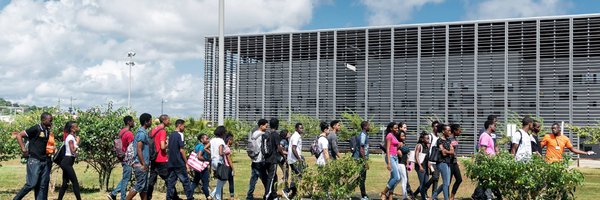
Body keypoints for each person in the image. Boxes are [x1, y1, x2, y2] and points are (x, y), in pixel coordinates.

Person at [14, 112, 54, 200]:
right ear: (43, 120)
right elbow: (19, 135)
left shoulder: (47, 130)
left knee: (42, 186)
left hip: (44, 161)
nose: (51, 121)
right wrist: (23, 149)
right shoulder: (36, 128)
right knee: (31, 184)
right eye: (50, 120)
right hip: (34, 160)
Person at [148, 114, 177, 200]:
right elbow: (162, 147)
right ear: (164, 120)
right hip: (161, 158)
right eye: (168, 120)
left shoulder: (154, 129)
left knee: (152, 180)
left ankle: (148, 197)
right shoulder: (163, 131)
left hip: (153, 158)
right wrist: (167, 143)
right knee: (169, 179)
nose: (169, 121)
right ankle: (173, 197)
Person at [126, 113, 153, 200]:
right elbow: (139, 149)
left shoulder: (143, 132)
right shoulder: (141, 134)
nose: (151, 122)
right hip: (140, 164)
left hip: (142, 163)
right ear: (146, 122)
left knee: (144, 187)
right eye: (150, 120)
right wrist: (143, 164)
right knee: (139, 185)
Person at [166, 119, 194, 200]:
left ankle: (169, 198)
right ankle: (190, 197)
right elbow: (181, 150)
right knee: (185, 181)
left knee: (171, 182)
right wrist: (186, 162)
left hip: (171, 162)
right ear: (179, 125)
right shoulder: (180, 134)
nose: (184, 127)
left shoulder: (171, 135)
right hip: (179, 162)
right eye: (183, 126)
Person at [108, 116, 135, 200]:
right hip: (127, 159)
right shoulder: (129, 134)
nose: (134, 123)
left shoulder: (122, 131)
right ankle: (121, 197)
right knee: (126, 179)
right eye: (132, 121)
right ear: (129, 122)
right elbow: (131, 148)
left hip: (122, 157)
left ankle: (114, 193)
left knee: (126, 177)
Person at [476, 120, 502, 200]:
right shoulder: (485, 136)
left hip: (489, 162)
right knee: (487, 181)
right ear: (490, 126)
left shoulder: (489, 136)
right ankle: (488, 197)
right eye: (495, 125)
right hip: (487, 163)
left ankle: (481, 196)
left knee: (486, 182)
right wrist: (488, 160)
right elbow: (482, 150)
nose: (495, 127)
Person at [57, 121, 82, 200]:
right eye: (76, 126)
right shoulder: (70, 138)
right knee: (75, 182)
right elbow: (72, 151)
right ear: (72, 128)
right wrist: (77, 142)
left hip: (68, 161)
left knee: (65, 183)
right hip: (67, 162)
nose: (77, 127)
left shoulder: (71, 136)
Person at [246, 119, 268, 200]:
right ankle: (268, 194)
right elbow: (264, 148)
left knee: (253, 179)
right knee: (265, 179)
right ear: (261, 126)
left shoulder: (254, 133)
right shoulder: (262, 135)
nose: (267, 127)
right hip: (260, 160)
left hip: (254, 159)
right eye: (266, 126)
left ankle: (249, 195)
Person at [433, 124, 454, 200]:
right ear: (443, 131)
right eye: (448, 130)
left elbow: (452, 152)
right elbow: (443, 153)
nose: (449, 132)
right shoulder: (439, 141)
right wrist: (448, 151)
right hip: (441, 163)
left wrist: (447, 151)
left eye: (450, 130)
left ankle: (434, 196)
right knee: (445, 183)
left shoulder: (449, 140)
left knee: (447, 183)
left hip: (448, 162)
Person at [283, 123, 304, 199]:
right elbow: (293, 148)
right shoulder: (296, 136)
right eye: (300, 128)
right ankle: (287, 190)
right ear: (296, 128)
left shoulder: (296, 136)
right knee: (298, 175)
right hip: (294, 160)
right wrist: (299, 158)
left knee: (296, 176)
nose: (302, 129)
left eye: (302, 128)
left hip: (293, 159)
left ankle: (293, 194)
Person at [380, 122, 400, 200]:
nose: (397, 129)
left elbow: (395, 146)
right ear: (391, 128)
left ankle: (389, 196)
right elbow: (387, 149)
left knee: (393, 177)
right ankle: (384, 192)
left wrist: (399, 145)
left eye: (397, 128)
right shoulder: (389, 135)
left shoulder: (394, 136)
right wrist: (389, 162)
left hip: (395, 157)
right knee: (397, 177)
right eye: (395, 128)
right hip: (390, 157)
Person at [422, 121, 441, 199]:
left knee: (436, 178)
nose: (437, 128)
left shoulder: (439, 137)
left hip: (437, 160)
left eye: (438, 126)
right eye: (436, 126)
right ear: (432, 127)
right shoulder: (430, 136)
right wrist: (428, 161)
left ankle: (434, 195)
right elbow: (427, 149)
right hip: (431, 160)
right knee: (435, 176)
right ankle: (425, 188)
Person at [264, 118, 282, 200]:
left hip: (267, 159)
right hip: (273, 160)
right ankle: (267, 196)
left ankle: (274, 196)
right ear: (276, 125)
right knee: (271, 178)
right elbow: (279, 148)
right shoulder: (276, 134)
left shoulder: (268, 134)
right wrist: (283, 156)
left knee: (274, 177)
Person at [210, 126, 229, 200]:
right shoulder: (221, 141)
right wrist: (226, 153)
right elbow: (221, 153)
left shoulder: (212, 140)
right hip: (219, 161)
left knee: (220, 180)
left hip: (213, 161)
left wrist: (212, 153)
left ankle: (213, 195)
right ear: (222, 133)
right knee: (223, 180)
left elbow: (205, 148)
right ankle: (215, 196)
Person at [191, 134, 211, 199]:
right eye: (207, 138)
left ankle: (189, 195)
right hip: (202, 168)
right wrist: (208, 160)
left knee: (195, 182)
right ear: (202, 140)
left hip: (196, 167)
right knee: (205, 183)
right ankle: (208, 197)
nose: (208, 140)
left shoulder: (197, 146)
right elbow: (199, 157)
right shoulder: (202, 146)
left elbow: (194, 154)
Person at [355, 121, 370, 200]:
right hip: (360, 160)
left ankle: (364, 194)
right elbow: (361, 149)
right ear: (365, 127)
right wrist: (365, 162)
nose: (369, 127)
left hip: (361, 159)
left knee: (360, 177)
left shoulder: (364, 135)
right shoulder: (363, 135)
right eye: (368, 126)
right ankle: (364, 195)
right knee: (361, 178)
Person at [396, 126, 412, 200]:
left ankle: (388, 191)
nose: (404, 137)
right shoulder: (398, 143)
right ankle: (404, 196)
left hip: (403, 163)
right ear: (399, 136)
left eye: (404, 136)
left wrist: (408, 163)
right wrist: (398, 151)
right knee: (404, 179)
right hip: (400, 163)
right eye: (402, 136)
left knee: (398, 179)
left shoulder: (403, 143)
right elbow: (396, 152)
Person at [448, 124, 463, 200]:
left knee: (459, 179)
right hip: (449, 163)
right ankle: (445, 196)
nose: (460, 131)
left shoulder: (454, 138)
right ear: (454, 130)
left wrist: (456, 160)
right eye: (459, 130)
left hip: (454, 163)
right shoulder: (449, 139)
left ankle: (452, 196)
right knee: (448, 182)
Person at [415, 132, 430, 200]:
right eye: (426, 138)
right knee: (422, 183)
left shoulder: (427, 146)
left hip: (426, 167)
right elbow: (416, 156)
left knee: (426, 183)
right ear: (422, 139)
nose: (428, 140)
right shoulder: (419, 145)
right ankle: (423, 198)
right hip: (420, 166)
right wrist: (420, 166)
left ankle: (414, 194)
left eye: (428, 138)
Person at [278, 129, 290, 195]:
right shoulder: (283, 141)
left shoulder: (286, 141)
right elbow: (280, 149)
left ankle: (278, 186)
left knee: (286, 175)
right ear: (285, 134)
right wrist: (288, 153)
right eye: (288, 133)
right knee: (286, 175)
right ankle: (285, 190)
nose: (289, 133)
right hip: (283, 160)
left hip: (285, 159)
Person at [223, 133, 236, 199]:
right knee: (231, 182)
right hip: (228, 167)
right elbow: (229, 160)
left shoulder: (223, 147)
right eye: (232, 140)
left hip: (223, 166)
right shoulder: (227, 149)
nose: (232, 141)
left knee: (221, 182)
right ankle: (232, 197)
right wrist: (233, 169)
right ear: (229, 140)